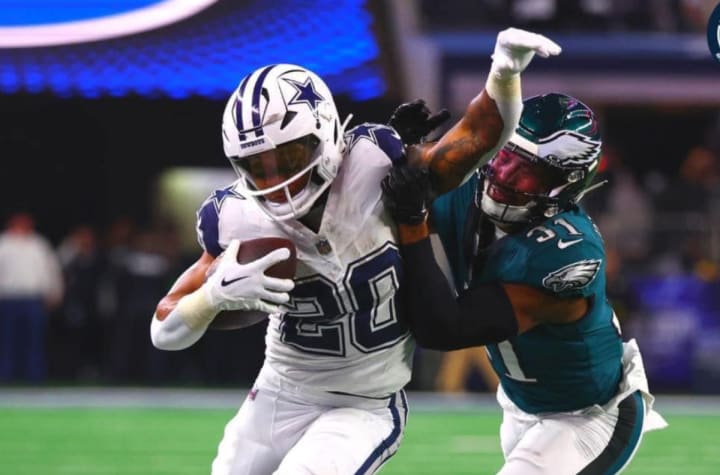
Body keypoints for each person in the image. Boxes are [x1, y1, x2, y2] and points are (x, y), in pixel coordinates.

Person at [150, 28, 560, 475]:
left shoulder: (376, 165)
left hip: (365, 403)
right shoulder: (236, 219)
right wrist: (212, 298)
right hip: (282, 391)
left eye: (288, 159)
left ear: (325, 133)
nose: (277, 181)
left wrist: (504, 70)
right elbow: (163, 330)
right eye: (258, 167)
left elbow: (478, 136)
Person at [381, 92, 668, 474]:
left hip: (588, 415)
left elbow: (444, 327)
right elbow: (383, 206)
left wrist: (412, 219)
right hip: (520, 403)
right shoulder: (472, 190)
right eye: (504, 156)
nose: (503, 176)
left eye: (526, 170)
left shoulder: (566, 253)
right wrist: (390, 153)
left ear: (565, 183)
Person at [0, 211, 63, 382]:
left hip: (33, 299)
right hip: (8, 298)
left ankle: (34, 375)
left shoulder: (39, 244)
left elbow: (51, 270)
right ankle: (5, 375)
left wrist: (55, 292)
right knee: (7, 339)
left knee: (35, 339)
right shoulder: (3, 244)